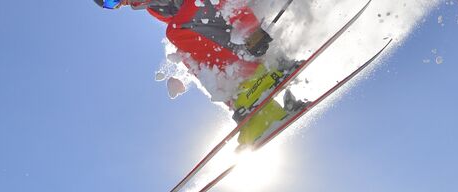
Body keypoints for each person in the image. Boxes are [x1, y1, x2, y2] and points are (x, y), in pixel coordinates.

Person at [95, 0, 307, 147]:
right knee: (183, 50)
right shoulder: (155, 8)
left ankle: (267, 71)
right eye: (110, 5)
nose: (120, 3)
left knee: (175, 32)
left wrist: (250, 28)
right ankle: (249, 105)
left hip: (240, 16)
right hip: (228, 31)